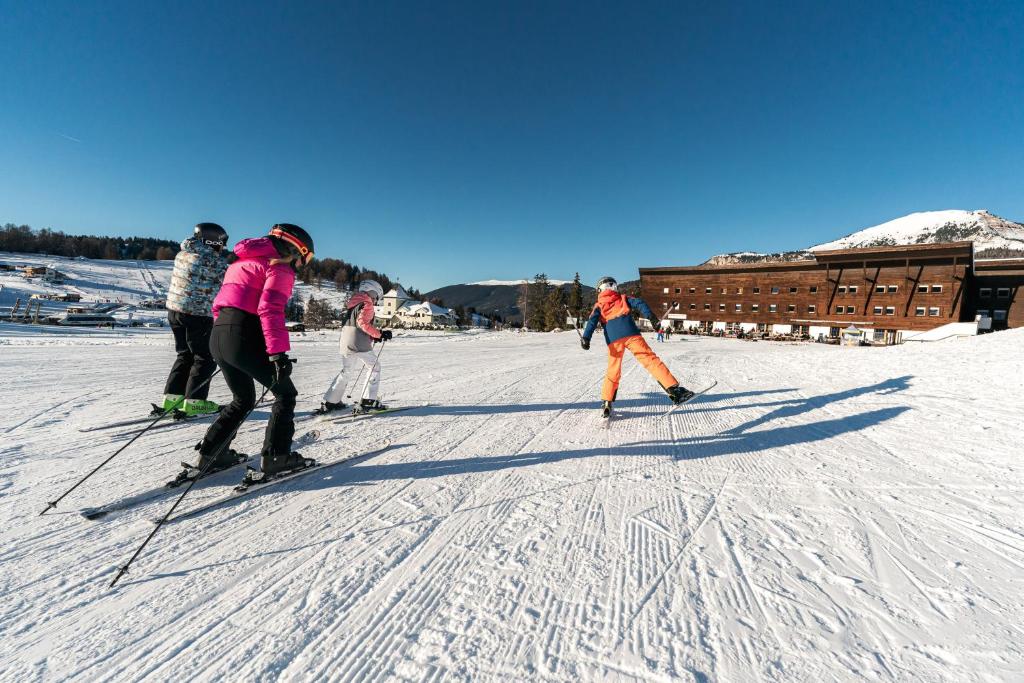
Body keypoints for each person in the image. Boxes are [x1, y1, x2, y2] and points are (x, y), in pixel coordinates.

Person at [192, 223, 315, 481]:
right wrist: (278, 353)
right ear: (296, 249)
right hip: (243, 334)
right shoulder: (278, 266)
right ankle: (277, 458)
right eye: (304, 259)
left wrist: (228, 341)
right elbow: (270, 309)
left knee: (243, 399)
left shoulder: (239, 263)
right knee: (285, 394)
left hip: (220, 334)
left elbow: (220, 304)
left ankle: (211, 454)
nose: (300, 265)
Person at [581, 276, 694, 417]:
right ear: (614, 287)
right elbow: (639, 303)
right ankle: (675, 391)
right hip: (631, 333)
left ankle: (607, 401)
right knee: (650, 360)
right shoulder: (622, 298)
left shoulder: (598, 305)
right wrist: (652, 318)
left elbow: (592, 321)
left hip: (613, 339)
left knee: (613, 369)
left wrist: (586, 338)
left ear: (600, 290)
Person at [158, 222, 231, 417]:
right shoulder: (213, 261)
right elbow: (229, 278)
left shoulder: (183, 254)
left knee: (184, 355)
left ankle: (172, 398)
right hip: (197, 315)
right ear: (213, 241)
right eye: (222, 243)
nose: (223, 247)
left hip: (175, 312)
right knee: (205, 357)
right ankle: (195, 401)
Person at [318, 279, 393, 415]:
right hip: (358, 342)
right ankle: (368, 401)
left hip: (345, 340)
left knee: (346, 371)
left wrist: (374, 336)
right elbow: (362, 323)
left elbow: (355, 323)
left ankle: (331, 402)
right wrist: (379, 333)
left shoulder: (353, 304)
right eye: (376, 297)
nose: (375, 301)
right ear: (371, 292)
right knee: (374, 367)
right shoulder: (367, 303)